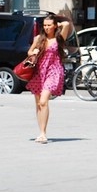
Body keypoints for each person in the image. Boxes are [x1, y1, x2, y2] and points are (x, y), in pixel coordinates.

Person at [26, 12, 72, 143]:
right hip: (39, 72)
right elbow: (29, 51)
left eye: (49, 25)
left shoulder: (59, 38)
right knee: (38, 104)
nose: (46, 27)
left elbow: (67, 24)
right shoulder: (38, 38)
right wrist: (33, 52)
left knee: (43, 101)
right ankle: (41, 132)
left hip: (53, 71)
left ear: (55, 26)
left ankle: (43, 133)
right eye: (45, 25)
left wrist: (59, 24)